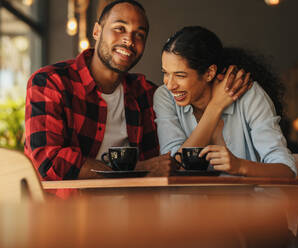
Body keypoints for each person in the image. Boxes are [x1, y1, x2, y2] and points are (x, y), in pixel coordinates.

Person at [24, 1, 247, 185]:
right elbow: (50, 161)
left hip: (135, 215)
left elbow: (169, 159)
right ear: (97, 31)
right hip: (62, 215)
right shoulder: (50, 82)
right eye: (119, 28)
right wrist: (136, 170)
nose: (129, 40)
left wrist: (222, 85)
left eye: (139, 34)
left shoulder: (147, 95)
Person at [154, 26, 296, 178]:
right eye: (165, 73)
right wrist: (215, 107)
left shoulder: (248, 94)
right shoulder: (165, 96)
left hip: (251, 200)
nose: (170, 85)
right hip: (191, 200)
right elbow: (173, 168)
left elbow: (286, 171)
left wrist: (240, 166)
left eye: (180, 75)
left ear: (209, 73)